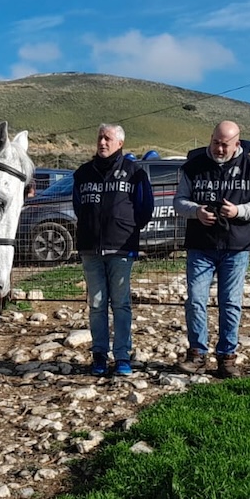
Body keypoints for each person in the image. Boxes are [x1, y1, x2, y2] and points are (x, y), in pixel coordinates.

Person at [174, 120, 250, 378]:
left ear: (237, 143)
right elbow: (178, 201)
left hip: (236, 246)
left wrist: (239, 211)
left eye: (225, 144)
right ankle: (197, 354)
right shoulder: (193, 167)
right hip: (200, 245)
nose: (219, 148)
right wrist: (196, 212)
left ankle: (227, 357)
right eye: (215, 142)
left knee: (230, 303)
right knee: (195, 300)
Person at [71, 123, 154, 376]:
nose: (102, 143)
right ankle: (98, 355)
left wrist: (123, 228)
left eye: (107, 138)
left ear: (120, 143)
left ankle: (121, 357)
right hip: (90, 249)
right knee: (96, 304)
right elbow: (78, 207)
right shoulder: (83, 173)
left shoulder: (134, 172)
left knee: (120, 303)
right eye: (99, 138)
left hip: (121, 248)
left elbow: (145, 208)